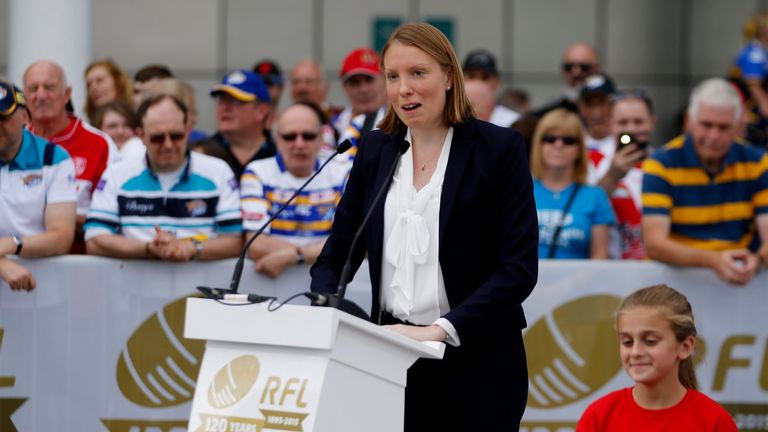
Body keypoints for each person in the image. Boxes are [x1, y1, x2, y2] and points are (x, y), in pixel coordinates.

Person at [310, 22, 538, 430]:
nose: (404, 89)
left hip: (479, 360)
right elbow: (338, 254)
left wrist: (440, 330)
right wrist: (328, 308)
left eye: (418, 73)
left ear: (449, 76)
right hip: (390, 359)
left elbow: (518, 269)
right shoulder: (377, 149)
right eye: (393, 77)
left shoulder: (498, 150)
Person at [84, 94, 242, 261]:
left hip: (200, 286)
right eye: (157, 138)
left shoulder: (218, 171)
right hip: (134, 285)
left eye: (176, 136)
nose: (168, 145)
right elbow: (94, 240)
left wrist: (189, 248)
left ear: (188, 131)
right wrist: (148, 248)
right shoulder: (116, 174)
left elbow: (235, 241)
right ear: (141, 136)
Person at [642, 78, 768, 285]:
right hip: (674, 285)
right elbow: (655, 244)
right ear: (689, 121)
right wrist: (713, 261)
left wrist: (758, 259)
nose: (713, 135)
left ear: (737, 127)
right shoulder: (661, 164)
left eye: (723, 127)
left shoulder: (758, 163)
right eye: (706, 125)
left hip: (739, 280)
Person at [576, 284, 737, 431]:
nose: (636, 352)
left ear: (685, 346)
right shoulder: (598, 416)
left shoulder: (714, 421)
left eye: (650, 341)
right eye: (627, 342)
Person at [241, 102, 351, 278]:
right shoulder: (257, 172)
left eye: (308, 136)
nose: (299, 144)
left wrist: (295, 256)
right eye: (290, 137)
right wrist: (315, 253)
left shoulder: (343, 173)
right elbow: (256, 244)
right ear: (277, 139)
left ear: (321, 139)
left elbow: (350, 244)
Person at [23, 60, 116, 253]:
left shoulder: (99, 144)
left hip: (81, 270)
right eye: (33, 88)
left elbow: (114, 220)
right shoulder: (10, 144)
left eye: (49, 87)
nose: (40, 95)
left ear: (66, 94)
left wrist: (59, 215)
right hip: (16, 268)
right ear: (24, 97)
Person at [0, 80, 76, 291]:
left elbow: (61, 237)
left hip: (39, 289)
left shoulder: (53, 158)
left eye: (3, 117)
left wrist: (12, 244)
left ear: (25, 117)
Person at [531, 109, 614, 259]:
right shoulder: (520, 191)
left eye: (568, 140)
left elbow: (599, 259)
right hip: (528, 282)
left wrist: (570, 283)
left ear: (579, 149)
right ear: (539, 144)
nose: (558, 144)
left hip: (580, 282)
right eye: (549, 138)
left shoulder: (595, 196)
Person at [594, 89, 656, 259]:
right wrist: (612, 176)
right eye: (623, 122)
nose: (631, 129)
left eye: (639, 122)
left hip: (654, 267)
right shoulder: (592, 161)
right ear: (610, 124)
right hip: (611, 268)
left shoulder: (667, 164)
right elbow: (585, 210)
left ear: (652, 122)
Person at [196, 70, 276, 181]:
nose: (225, 107)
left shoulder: (281, 155)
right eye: (221, 101)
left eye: (235, 101)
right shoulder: (203, 154)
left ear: (262, 111)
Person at [332, 47, 387, 157]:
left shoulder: (399, 124)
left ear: (384, 79)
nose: (363, 89)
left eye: (369, 80)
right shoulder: (332, 126)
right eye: (354, 82)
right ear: (344, 87)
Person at [533, 42, 601, 116]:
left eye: (584, 67)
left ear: (597, 69)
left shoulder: (612, 110)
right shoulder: (546, 115)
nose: (576, 73)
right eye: (569, 67)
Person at [462, 49, 520, 127]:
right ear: (460, 79)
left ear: (497, 81)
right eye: (472, 76)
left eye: (485, 77)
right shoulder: (446, 119)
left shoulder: (512, 121)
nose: (478, 83)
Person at [84, 58, 133, 122]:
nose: (93, 87)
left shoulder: (138, 118)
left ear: (118, 82)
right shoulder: (88, 128)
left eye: (100, 80)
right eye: (89, 84)